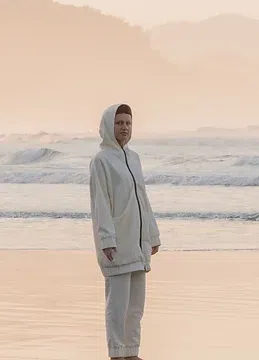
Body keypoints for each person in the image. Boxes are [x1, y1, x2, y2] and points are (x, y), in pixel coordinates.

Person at [88, 103, 161, 360]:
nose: (124, 128)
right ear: (109, 126)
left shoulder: (134, 158)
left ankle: (131, 352)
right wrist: (106, 239)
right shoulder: (101, 161)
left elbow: (143, 199)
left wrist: (152, 234)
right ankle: (117, 353)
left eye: (128, 123)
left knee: (135, 306)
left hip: (138, 243)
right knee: (117, 305)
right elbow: (100, 204)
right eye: (119, 123)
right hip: (116, 243)